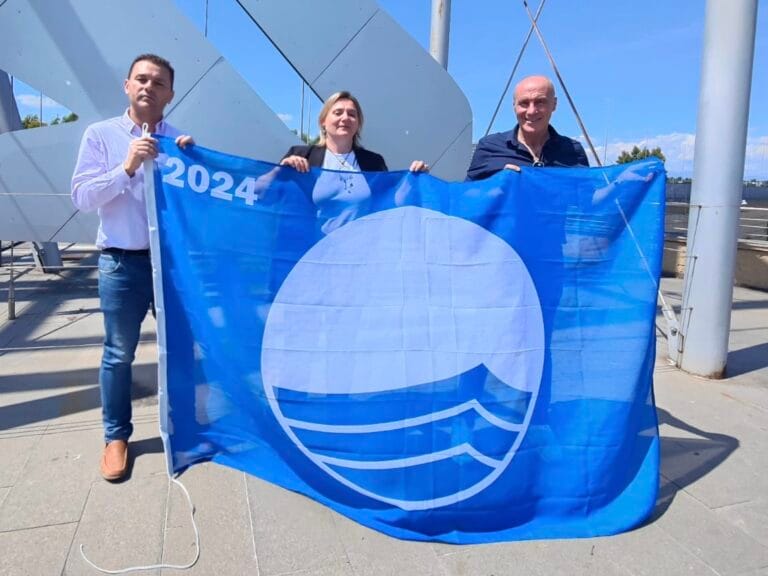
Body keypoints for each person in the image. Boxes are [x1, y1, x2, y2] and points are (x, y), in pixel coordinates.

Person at [71, 54, 193, 481]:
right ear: (127, 85)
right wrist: (126, 167)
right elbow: (83, 198)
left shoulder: (182, 142)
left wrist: (194, 165)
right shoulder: (100, 135)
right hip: (121, 263)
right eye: (141, 79)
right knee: (119, 354)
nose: (149, 87)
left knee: (180, 347)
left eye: (159, 83)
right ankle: (116, 436)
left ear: (170, 94)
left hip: (171, 266)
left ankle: (185, 427)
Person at [279, 91, 429, 234]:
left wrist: (413, 179)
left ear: (358, 124)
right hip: (310, 252)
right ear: (323, 121)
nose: (345, 118)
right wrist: (280, 171)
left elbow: (391, 202)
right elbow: (260, 191)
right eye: (338, 113)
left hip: (359, 253)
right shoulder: (301, 156)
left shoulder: (373, 162)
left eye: (352, 114)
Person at [466, 75, 589, 180]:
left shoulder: (573, 150)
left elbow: (586, 199)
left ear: (554, 104)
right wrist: (499, 183)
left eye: (540, 102)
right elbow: (467, 198)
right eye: (524, 103)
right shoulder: (489, 147)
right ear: (514, 106)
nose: (531, 111)